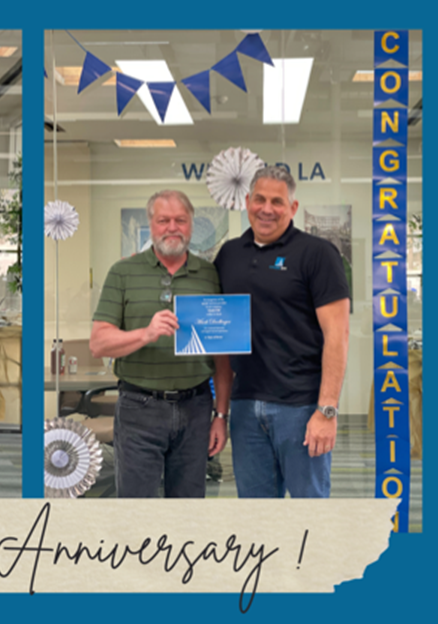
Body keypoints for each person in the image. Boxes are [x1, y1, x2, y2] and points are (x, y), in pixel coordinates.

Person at [213, 165, 350, 498]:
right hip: (246, 410)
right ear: (247, 201)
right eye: (259, 199)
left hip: (301, 409)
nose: (267, 208)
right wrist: (221, 412)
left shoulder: (317, 254)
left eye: (277, 201)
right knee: (259, 519)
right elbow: (220, 336)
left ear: (293, 208)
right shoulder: (229, 255)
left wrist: (326, 411)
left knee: (309, 513)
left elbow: (338, 335)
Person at [89, 190, 232, 498]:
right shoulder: (123, 272)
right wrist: (146, 333)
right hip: (139, 409)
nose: (172, 227)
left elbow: (222, 355)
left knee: (188, 505)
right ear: (150, 224)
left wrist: (221, 416)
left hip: (196, 408)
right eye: (163, 220)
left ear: (192, 225)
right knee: (136, 505)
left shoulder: (209, 275)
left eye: (180, 220)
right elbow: (98, 343)